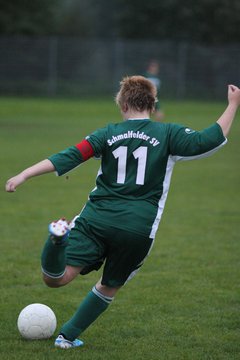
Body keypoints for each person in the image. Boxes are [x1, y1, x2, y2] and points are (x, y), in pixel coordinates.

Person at [5, 77, 240, 350]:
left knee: (56, 278)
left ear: (124, 104)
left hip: (97, 219)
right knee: (108, 286)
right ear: (152, 106)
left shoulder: (107, 133)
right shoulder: (168, 134)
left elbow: (69, 156)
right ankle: (67, 337)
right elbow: (210, 139)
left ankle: (58, 241)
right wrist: (233, 104)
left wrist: (24, 174)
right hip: (137, 228)